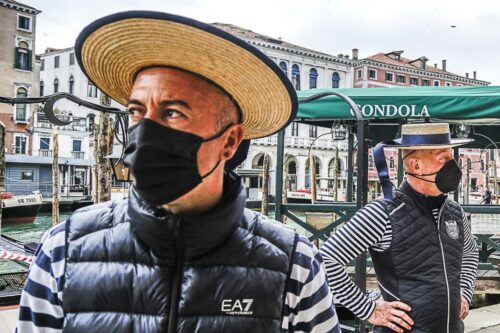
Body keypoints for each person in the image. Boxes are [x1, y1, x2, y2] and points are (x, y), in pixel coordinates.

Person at [17, 11, 340, 333]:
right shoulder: (64, 248)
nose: (146, 131)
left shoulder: (294, 263)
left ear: (229, 141)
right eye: (137, 111)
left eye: (172, 112)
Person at [320, 123, 479, 333]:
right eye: (444, 159)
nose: (454, 165)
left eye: (452, 157)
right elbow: (324, 261)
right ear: (415, 165)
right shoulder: (383, 212)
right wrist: (368, 309)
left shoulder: (454, 211)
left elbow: (470, 252)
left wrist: (465, 292)